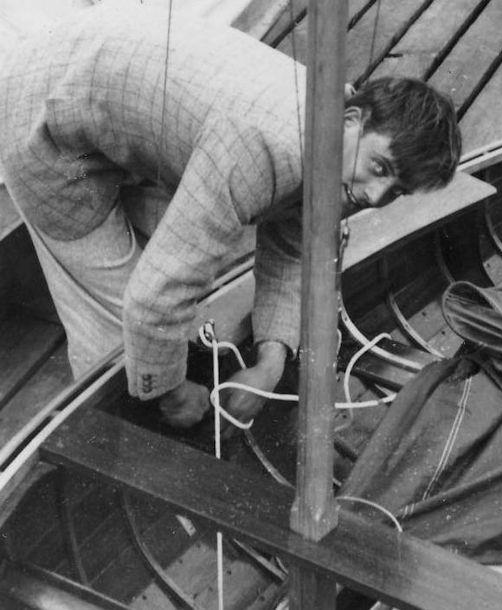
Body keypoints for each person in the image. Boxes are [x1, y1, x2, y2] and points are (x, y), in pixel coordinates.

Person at [0, 4, 461, 428]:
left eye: (396, 191)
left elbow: (295, 245)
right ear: (351, 120)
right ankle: (109, 428)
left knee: (169, 279)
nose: (374, 195)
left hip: (115, 94)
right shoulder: (262, 150)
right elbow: (149, 302)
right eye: (379, 168)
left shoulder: (330, 132)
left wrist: (270, 362)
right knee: (115, 329)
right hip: (46, 118)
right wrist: (173, 393)